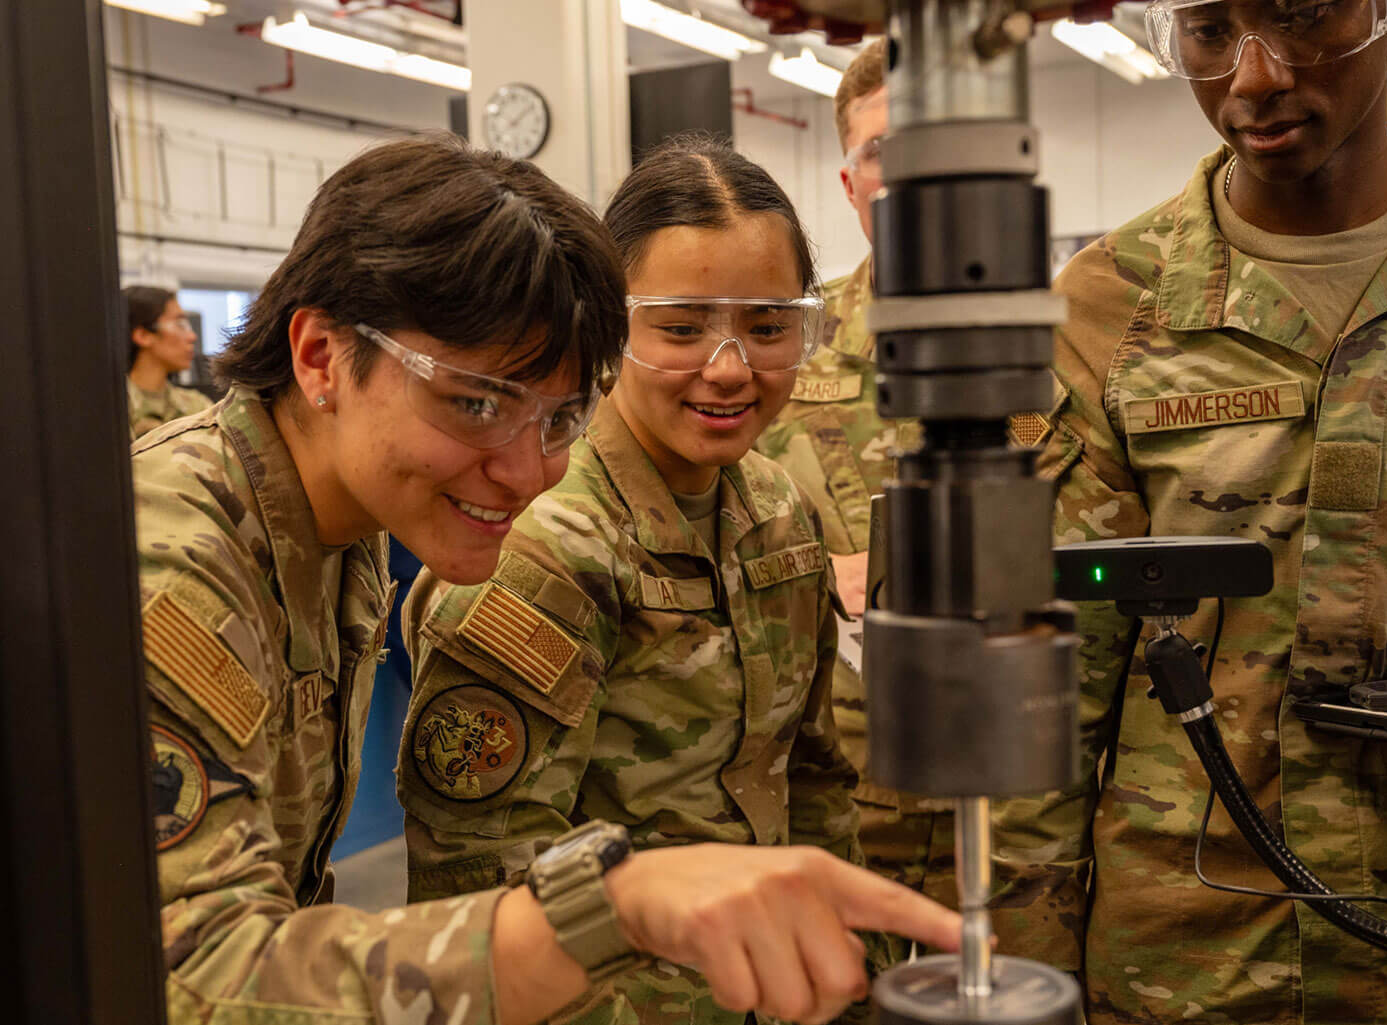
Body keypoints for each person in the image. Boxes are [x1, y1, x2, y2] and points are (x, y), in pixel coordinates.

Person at [136, 134, 962, 1025]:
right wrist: (605, 911)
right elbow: (181, 974)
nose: (530, 474)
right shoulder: (175, 563)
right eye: (477, 403)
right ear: (319, 357)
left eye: (562, 417)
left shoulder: (339, 526)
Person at [1008, 0, 1387, 1021]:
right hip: (1191, 960)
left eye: (1304, 14)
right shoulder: (1106, 307)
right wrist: (1026, 985)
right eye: (1211, 30)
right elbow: (1043, 699)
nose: (1254, 76)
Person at [397, 136, 878, 1025]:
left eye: (768, 327)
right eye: (683, 328)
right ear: (609, 326)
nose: (730, 367)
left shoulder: (777, 509)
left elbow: (811, 779)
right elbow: (483, 881)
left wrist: (846, 978)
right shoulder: (548, 546)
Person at [752, 38, 1045, 952]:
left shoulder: (1071, 341)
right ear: (849, 184)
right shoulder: (776, 357)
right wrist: (816, 575)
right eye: (883, 151)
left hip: (1028, 812)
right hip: (841, 814)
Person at [124, 284, 212, 439]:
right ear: (144, 335)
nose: (192, 337)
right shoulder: (112, 410)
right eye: (180, 325)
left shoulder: (197, 406)